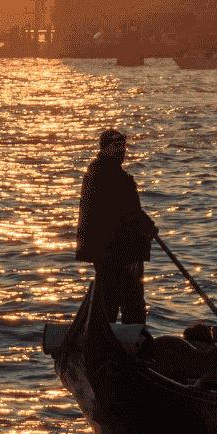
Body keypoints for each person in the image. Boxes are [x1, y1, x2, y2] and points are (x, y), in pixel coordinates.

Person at [75, 129, 158, 324]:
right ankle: (123, 339)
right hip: (116, 254)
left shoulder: (103, 174)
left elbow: (130, 212)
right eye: (117, 147)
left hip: (110, 253)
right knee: (128, 305)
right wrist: (133, 255)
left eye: (123, 147)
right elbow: (120, 218)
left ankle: (112, 337)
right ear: (105, 149)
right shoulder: (107, 177)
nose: (122, 151)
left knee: (112, 303)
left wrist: (147, 225)